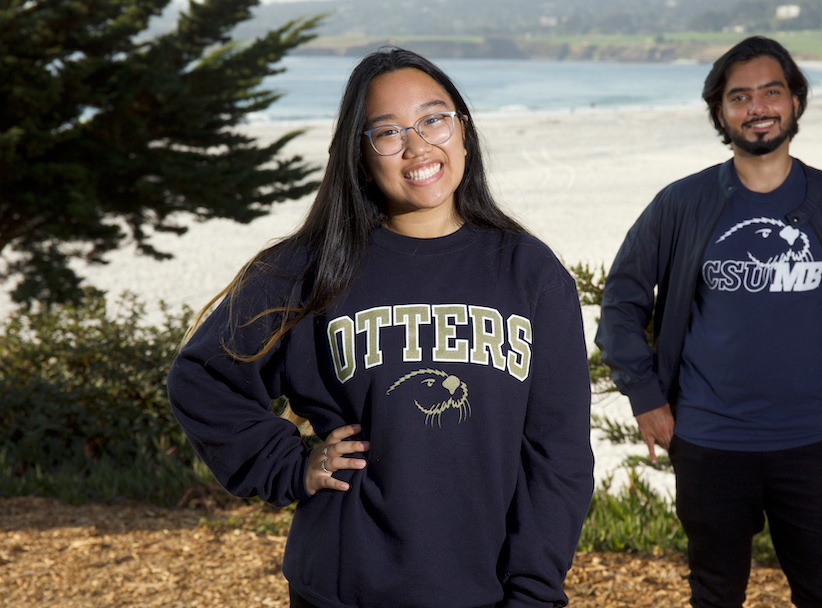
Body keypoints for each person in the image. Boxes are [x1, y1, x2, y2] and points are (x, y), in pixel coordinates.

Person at [167, 48, 594, 608]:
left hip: (484, 589)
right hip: (344, 587)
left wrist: (535, 592)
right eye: (388, 132)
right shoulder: (308, 268)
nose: (418, 146)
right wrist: (291, 463)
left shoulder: (529, 272)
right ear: (361, 156)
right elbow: (202, 377)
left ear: (463, 130)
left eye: (433, 119)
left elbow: (558, 453)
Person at [594, 36, 822, 608]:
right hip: (708, 442)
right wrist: (645, 396)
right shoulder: (681, 204)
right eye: (739, 97)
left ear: (795, 100)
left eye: (771, 91)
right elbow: (621, 298)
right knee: (715, 594)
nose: (757, 107)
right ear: (720, 113)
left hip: (816, 442)